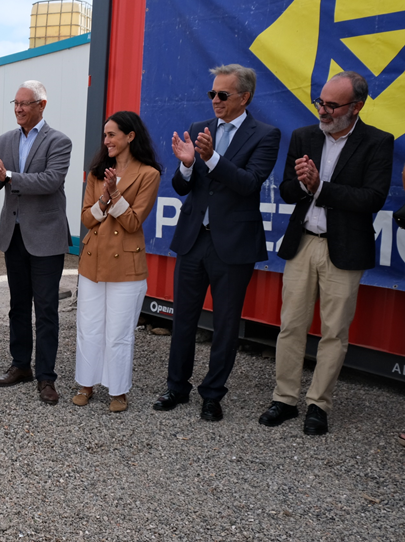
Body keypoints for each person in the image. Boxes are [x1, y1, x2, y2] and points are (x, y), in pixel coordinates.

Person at [258, 71, 393, 435]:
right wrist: (303, 184)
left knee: (334, 332)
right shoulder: (304, 136)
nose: (324, 110)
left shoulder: (378, 142)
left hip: (345, 250)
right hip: (303, 243)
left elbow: (372, 198)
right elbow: (286, 190)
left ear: (357, 106)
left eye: (332, 105)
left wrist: (322, 187)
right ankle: (284, 399)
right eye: (321, 102)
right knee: (291, 326)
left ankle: (319, 404)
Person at [153, 64, 280, 421]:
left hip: (233, 244)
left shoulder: (265, 135)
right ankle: (176, 387)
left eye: (223, 95)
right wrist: (189, 165)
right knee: (184, 319)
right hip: (194, 240)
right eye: (212, 93)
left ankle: (213, 394)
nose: (215, 100)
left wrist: (211, 158)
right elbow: (182, 188)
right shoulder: (199, 129)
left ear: (245, 98)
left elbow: (249, 183)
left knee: (225, 324)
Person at [0, 80, 72, 405]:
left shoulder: (59, 141)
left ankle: (47, 377)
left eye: (25, 103)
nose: (19, 109)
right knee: (18, 305)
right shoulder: (5, 140)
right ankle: (21, 365)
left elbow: (51, 181)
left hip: (46, 237)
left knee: (46, 308)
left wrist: (7, 176)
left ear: (42, 105)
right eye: (15, 103)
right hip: (14, 235)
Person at [73, 111, 162, 412]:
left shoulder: (149, 174)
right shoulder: (98, 171)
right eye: (105, 135)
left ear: (130, 136)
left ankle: (118, 390)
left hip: (126, 265)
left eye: (112, 134)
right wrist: (103, 199)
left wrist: (114, 195)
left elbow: (134, 223)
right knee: (89, 327)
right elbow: (86, 218)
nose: (106, 140)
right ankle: (86, 383)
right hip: (92, 261)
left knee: (119, 331)